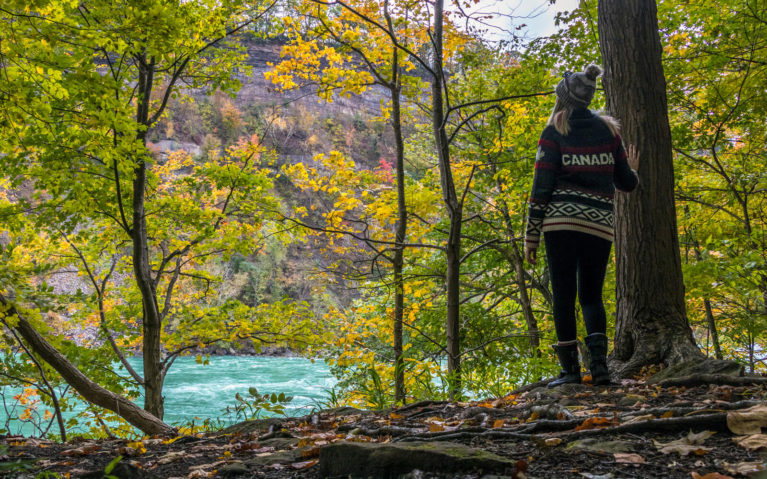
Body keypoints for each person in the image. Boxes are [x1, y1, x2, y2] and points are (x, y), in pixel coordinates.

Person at [524, 65, 639, 387]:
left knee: (563, 295)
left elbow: (541, 187)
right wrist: (633, 170)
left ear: (563, 97)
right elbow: (626, 183)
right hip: (598, 225)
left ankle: (570, 373)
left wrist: (531, 236)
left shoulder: (554, 131)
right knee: (591, 295)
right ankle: (600, 370)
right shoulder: (609, 132)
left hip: (559, 223)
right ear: (588, 98)